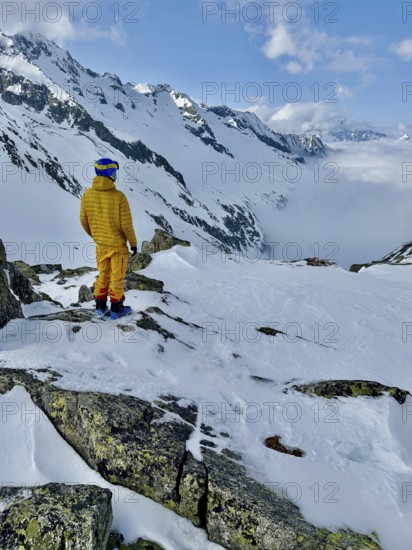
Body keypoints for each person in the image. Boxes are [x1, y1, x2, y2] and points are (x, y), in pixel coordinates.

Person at [80, 158, 137, 319]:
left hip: (100, 245)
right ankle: (116, 309)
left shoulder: (87, 194)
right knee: (116, 277)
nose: (115, 175)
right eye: (114, 172)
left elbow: (83, 220)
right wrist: (133, 243)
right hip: (118, 245)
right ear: (109, 173)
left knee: (103, 274)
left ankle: (99, 307)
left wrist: (96, 235)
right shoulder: (119, 197)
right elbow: (127, 225)